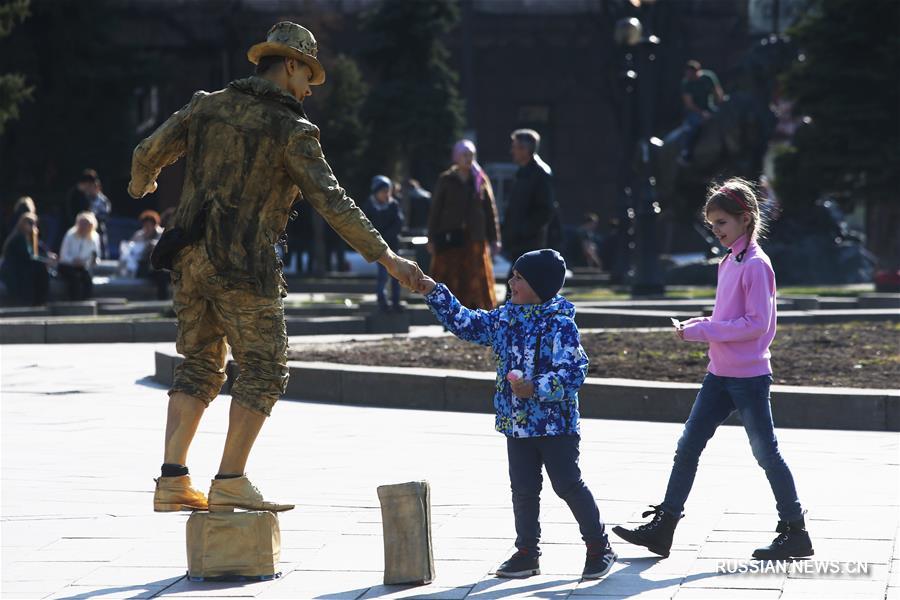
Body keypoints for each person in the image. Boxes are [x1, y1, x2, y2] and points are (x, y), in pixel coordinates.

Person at [128, 21, 424, 514]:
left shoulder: (206, 105)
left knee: (199, 367)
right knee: (265, 369)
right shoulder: (291, 129)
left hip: (189, 262)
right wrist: (388, 258)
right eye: (308, 76)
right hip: (245, 266)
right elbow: (333, 202)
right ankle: (229, 479)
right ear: (289, 65)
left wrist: (144, 186)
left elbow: (145, 153)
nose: (309, 89)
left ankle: (173, 479)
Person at [612, 179, 814, 561]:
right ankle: (664, 527)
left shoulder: (756, 264)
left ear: (745, 218)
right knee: (688, 447)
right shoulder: (729, 261)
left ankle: (795, 531)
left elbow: (758, 324)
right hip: (720, 374)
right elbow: (730, 318)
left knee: (766, 454)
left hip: (749, 377)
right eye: (712, 224)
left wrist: (704, 330)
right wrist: (701, 322)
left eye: (722, 222)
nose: (716, 230)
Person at [416, 249, 616, 580]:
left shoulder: (560, 325)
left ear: (539, 285)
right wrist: (435, 292)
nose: (510, 282)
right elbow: (468, 323)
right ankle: (527, 553)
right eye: (513, 276)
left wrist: (536, 387)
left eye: (518, 278)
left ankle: (599, 547)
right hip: (517, 425)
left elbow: (574, 372)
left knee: (567, 484)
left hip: (556, 427)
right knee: (523, 488)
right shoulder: (505, 318)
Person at [427, 139, 501, 310]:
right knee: (451, 277)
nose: (468, 159)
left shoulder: (480, 179)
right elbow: (435, 211)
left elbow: (490, 211)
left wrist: (495, 238)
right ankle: (449, 313)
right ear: (457, 157)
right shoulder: (446, 179)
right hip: (451, 237)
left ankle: (477, 314)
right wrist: (431, 238)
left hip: (475, 237)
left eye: (471, 155)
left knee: (475, 278)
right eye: (465, 155)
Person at [502, 130, 558, 280]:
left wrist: (523, 231)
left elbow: (545, 210)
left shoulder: (540, 173)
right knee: (518, 288)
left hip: (530, 244)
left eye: (515, 147)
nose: (511, 151)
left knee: (518, 288)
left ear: (525, 149)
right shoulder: (523, 172)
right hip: (520, 243)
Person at [362, 175, 404, 312]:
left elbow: (399, 223)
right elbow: (365, 224)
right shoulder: (369, 206)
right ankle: (382, 301)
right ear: (376, 192)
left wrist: (388, 236)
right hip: (378, 247)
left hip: (393, 245)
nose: (387, 194)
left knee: (397, 275)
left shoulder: (393, 205)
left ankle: (396, 301)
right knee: (382, 275)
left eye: (388, 191)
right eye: (383, 192)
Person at [0, 212, 54, 306]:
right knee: (40, 268)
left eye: (34, 223)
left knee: (42, 269)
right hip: (14, 269)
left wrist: (48, 257)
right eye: (30, 223)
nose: (32, 226)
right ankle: (37, 301)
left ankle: (40, 301)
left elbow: (38, 252)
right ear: (23, 224)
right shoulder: (18, 238)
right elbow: (27, 257)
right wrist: (45, 261)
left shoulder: (30, 238)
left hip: (25, 267)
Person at [679, 60, 724, 165]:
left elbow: (717, 92)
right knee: (692, 127)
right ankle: (686, 153)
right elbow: (689, 104)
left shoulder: (708, 77)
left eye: (691, 73)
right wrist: (702, 113)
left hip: (710, 107)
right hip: (694, 112)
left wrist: (721, 106)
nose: (689, 76)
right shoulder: (686, 83)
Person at [57, 211, 101, 301]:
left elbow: (95, 256)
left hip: (83, 266)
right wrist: (73, 261)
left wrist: (86, 263)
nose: (84, 227)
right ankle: (74, 301)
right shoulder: (70, 235)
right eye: (82, 224)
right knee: (74, 279)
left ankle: (86, 301)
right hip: (67, 265)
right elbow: (63, 255)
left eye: (87, 224)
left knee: (87, 279)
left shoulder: (95, 237)